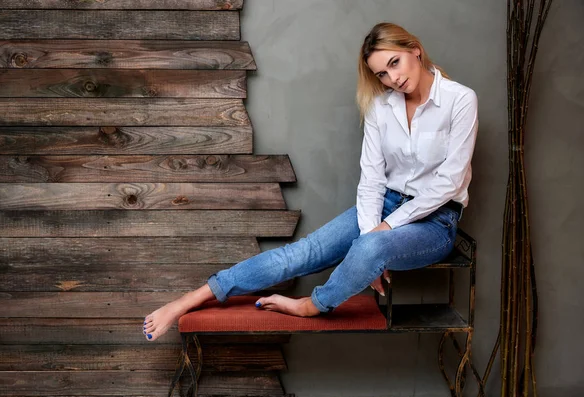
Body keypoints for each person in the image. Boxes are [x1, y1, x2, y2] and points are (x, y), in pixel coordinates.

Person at [143, 22, 478, 341]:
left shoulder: (460, 100)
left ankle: (313, 305)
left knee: (372, 246)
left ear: (415, 51)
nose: (393, 78)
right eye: (382, 73)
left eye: (395, 63)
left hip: (435, 220)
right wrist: (370, 239)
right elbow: (372, 179)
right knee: (303, 253)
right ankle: (192, 298)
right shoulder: (381, 106)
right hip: (386, 205)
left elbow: (448, 182)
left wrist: (378, 238)